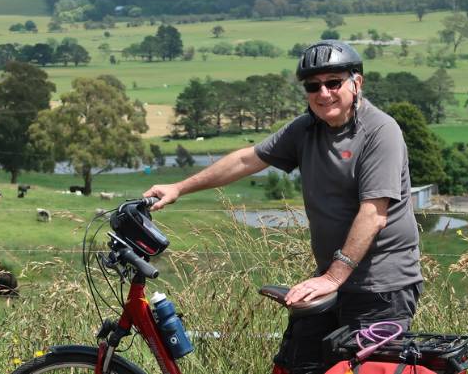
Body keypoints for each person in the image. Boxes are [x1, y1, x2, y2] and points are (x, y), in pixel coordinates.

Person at [143, 40, 422, 374]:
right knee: (296, 367)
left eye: (334, 82)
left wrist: (333, 276)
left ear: (356, 83)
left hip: (381, 290)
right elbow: (247, 159)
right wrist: (179, 187)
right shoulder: (306, 129)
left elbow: (374, 213)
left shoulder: (380, 132)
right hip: (330, 283)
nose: (324, 93)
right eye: (313, 86)